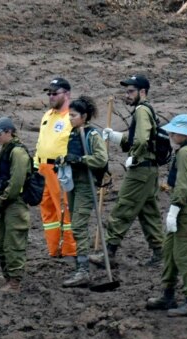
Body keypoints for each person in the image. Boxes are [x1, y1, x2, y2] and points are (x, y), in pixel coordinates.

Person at [145, 114, 187, 317]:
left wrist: (174, 209)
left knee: (184, 255)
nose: (171, 134)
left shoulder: (186, 153)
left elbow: (183, 184)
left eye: (175, 131)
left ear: (184, 133)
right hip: (186, 208)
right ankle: (167, 295)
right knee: (170, 251)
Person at [101, 74, 164, 268]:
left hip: (141, 169)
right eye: (126, 91)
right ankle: (160, 253)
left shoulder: (141, 111)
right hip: (149, 169)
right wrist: (115, 137)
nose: (126, 95)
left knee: (124, 206)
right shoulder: (144, 110)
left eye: (131, 91)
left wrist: (134, 156)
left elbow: (142, 140)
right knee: (148, 212)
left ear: (142, 92)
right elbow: (134, 139)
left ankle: (109, 252)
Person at [60, 96, 109, 288]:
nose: (70, 118)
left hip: (86, 184)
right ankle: (81, 267)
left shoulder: (92, 135)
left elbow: (101, 159)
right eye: (69, 115)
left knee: (79, 225)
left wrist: (81, 160)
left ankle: (83, 271)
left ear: (84, 116)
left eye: (73, 115)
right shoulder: (72, 133)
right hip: (73, 183)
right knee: (74, 223)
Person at [35, 77, 78, 261]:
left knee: (64, 209)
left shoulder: (72, 117)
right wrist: (35, 167)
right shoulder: (47, 115)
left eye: (55, 93)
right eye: (49, 93)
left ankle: (69, 250)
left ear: (67, 94)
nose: (51, 97)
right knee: (48, 209)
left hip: (60, 169)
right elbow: (41, 142)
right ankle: (54, 249)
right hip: (42, 169)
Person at [0, 116, 32, 292]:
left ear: (9, 132)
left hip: (15, 204)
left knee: (13, 243)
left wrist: (0, 200)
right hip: (6, 202)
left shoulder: (18, 152)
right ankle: (8, 278)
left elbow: (16, 183)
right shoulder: (6, 149)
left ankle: (14, 283)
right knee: (2, 243)